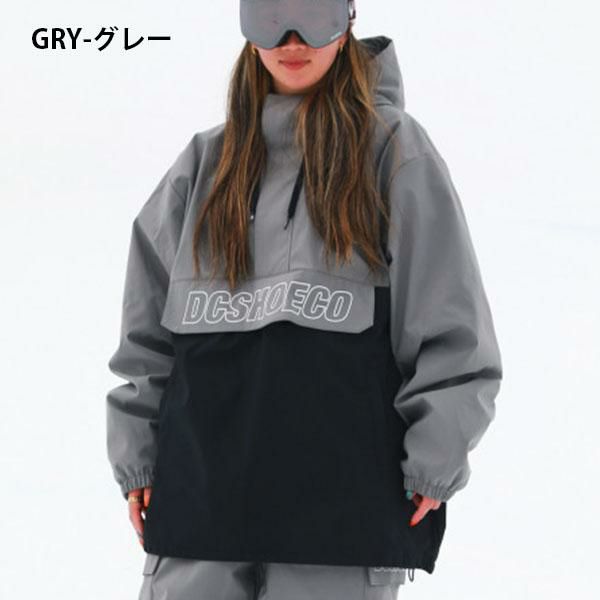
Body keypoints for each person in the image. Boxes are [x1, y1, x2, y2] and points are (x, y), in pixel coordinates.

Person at [105, 1, 503, 598]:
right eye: (270, 16)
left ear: (347, 23)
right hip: (201, 510)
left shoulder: (394, 152)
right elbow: (146, 339)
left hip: (341, 515)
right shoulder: (204, 166)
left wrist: (435, 459)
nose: (292, 39)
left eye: (314, 14)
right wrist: (138, 458)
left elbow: (451, 328)